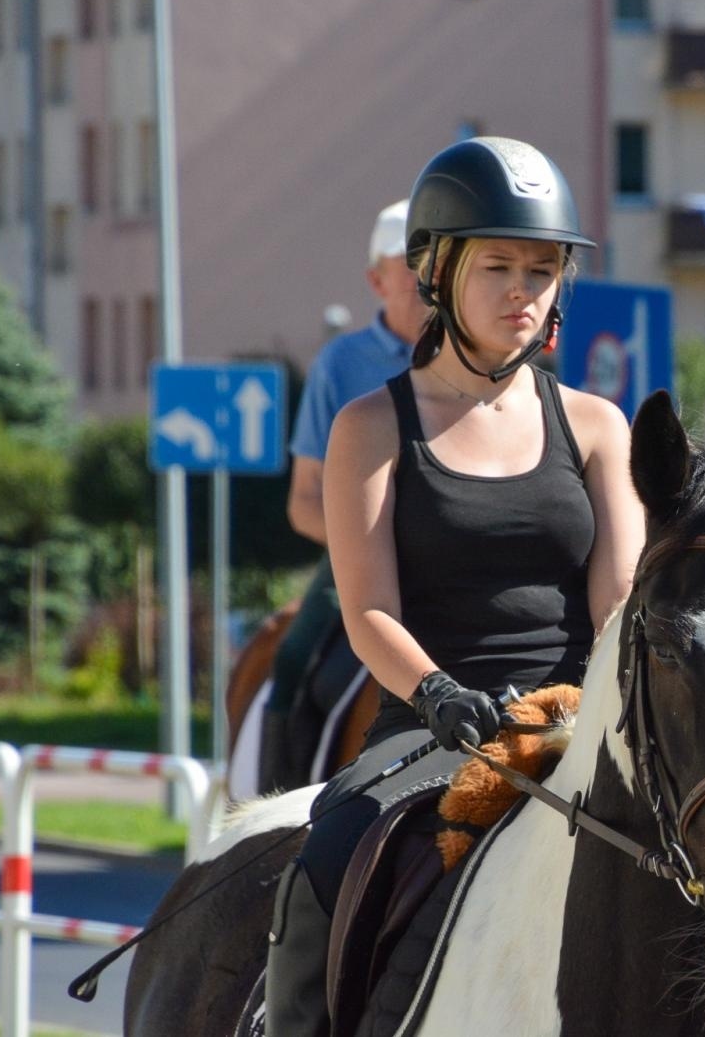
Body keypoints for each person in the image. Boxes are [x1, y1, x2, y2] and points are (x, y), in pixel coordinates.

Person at [264, 136, 646, 1036]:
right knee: (322, 867)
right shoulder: (372, 426)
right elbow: (368, 611)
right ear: (437, 272)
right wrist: (439, 693)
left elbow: (621, 596)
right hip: (433, 725)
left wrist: (600, 703)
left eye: (544, 269)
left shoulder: (596, 426)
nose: (524, 290)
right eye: (500, 266)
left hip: (572, 721)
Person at [261, 199, 429, 793]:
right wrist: (375, 546)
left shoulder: (484, 363)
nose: (423, 279)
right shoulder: (341, 364)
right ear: (375, 280)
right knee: (292, 661)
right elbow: (303, 502)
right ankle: (274, 818)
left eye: (434, 262)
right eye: (407, 266)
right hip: (360, 572)